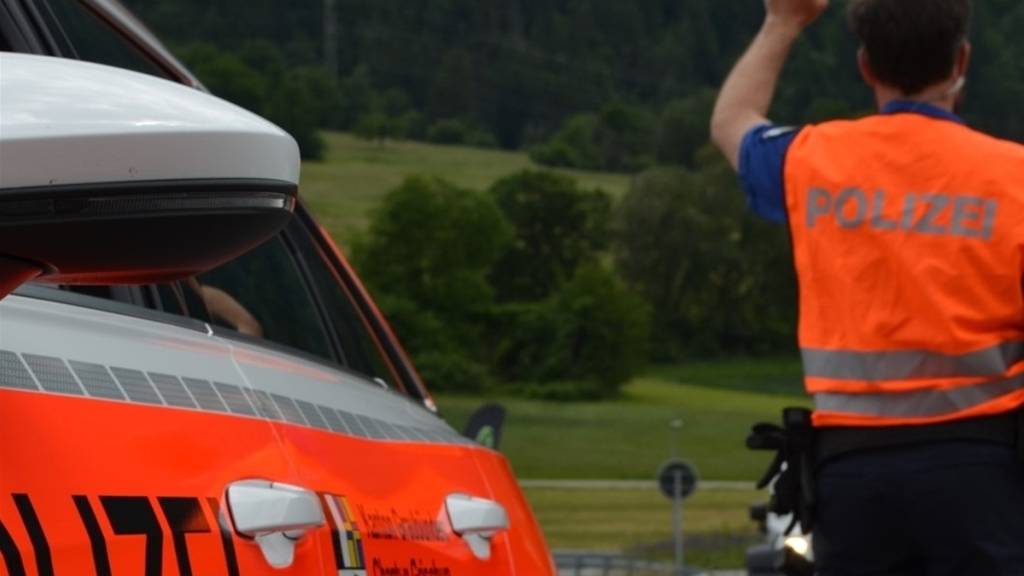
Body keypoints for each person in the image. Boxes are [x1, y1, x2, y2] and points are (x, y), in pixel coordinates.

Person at [710, 0, 1024, 573]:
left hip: (853, 474)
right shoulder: (1014, 176)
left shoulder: (811, 159)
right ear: (962, 60)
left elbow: (732, 121)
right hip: (979, 469)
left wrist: (783, 22)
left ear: (864, 66)